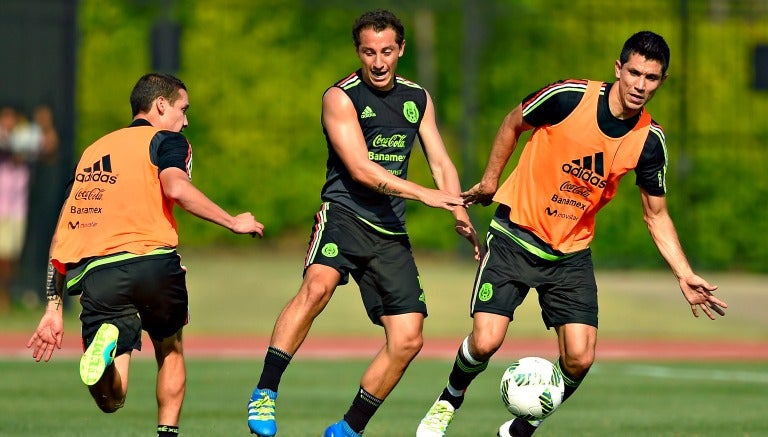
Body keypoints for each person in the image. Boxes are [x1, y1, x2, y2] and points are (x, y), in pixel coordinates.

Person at [416, 31, 729, 437]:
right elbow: (513, 122)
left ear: (661, 82)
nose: (640, 85)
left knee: (580, 358)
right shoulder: (569, 96)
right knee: (486, 341)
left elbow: (656, 215)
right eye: (633, 73)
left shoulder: (650, 141)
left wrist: (683, 273)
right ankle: (448, 401)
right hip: (516, 236)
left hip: (570, 254)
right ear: (618, 69)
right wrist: (491, 182)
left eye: (651, 78)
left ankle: (519, 430)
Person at [246, 9, 480, 437]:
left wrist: (459, 212)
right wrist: (425, 194)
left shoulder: (418, 98)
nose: (378, 62)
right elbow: (361, 169)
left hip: (390, 232)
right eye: (369, 52)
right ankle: (265, 391)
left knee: (408, 338)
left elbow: (441, 161)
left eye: (387, 51)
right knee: (318, 286)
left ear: (401, 50)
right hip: (345, 215)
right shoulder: (340, 97)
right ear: (358, 51)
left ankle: (348, 429)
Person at [26, 73, 265, 437]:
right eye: (183, 109)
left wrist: (52, 306)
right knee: (169, 350)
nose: (185, 120)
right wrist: (232, 221)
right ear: (160, 105)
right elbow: (176, 188)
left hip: (100, 275)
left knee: (111, 399)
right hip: (154, 263)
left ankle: (105, 361)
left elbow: (63, 231)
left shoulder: (94, 151)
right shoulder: (168, 140)